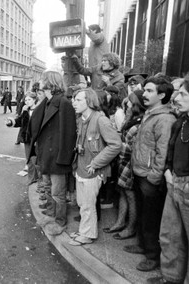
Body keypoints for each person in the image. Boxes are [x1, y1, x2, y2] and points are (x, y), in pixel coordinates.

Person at [147, 76, 189, 284]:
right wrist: (167, 171)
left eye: (183, 94)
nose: (176, 97)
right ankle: (171, 278)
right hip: (173, 185)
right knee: (170, 237)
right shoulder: (180, 122)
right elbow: (170, 152)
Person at [125, 76, 176, 272]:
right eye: (144, 90)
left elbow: (163, 153)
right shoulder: (151, 113)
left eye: (149, 91)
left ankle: (152, 256)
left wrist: (154, 177)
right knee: (143, 214)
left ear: (162, 95)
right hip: (140, 173)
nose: (144, 94)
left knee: (151, 218)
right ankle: (143, 245)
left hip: (149, 177)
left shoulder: (165, 119)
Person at [27, 71, 77, 236]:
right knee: (48, 188)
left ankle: (60, 221)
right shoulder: (46, 102)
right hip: (46, 155)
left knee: (57, 193)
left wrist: (64, 159)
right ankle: (50, 215)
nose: (40, 81)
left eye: (42, 78)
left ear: (49, 82)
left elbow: (69, 134)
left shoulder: (63, 103)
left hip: (57, 157)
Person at [70, 88, 121, 246]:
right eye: (74, 99)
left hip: (92, 170)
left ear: (89, 101)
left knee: (87, 204)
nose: (74, 103)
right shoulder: (82, 119)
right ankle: (84, 230)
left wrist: (96, 163)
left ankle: (87, 235)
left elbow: (115, 145)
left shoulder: (100, 120)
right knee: (82, 203)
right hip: (81, 168)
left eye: (78, 100)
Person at [104, 90, 146, 240]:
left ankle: (130, 227)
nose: (126, 103)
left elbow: (137, 146)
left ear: (137, 104)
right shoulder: (132, 118)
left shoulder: (142, 121)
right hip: (123, 160)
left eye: (130, 101)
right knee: (121, 191)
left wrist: (118, 145)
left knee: (130, 194)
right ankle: (120, 222)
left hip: (130, 161)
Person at [6, 91, 39, 184]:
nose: (27, 101)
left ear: (34, 100)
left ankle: (38, 179)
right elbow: (20, 121)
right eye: (26, 100)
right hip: (27, 138)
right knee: (29, 159)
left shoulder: (39, 110)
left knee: (37, 159)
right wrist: (11, 122)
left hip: (37, 138)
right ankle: (32, 178)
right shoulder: (26, 110)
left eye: (29, 99)